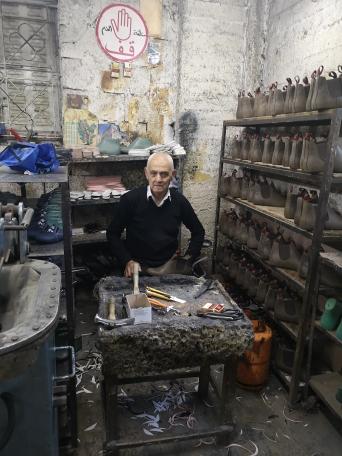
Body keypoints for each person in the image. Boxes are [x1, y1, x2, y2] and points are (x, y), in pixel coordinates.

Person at [107, 151, 205, 277]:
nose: (158, 179)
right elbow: (112, 233)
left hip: (169, 268)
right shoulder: (130, 200)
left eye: (164, 174)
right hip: (138, 269)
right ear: (146, 173)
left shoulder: (179, 201)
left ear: (173, 175)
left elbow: (198, 232)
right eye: (153, 173)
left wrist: (187, 259)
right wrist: (127, 260)